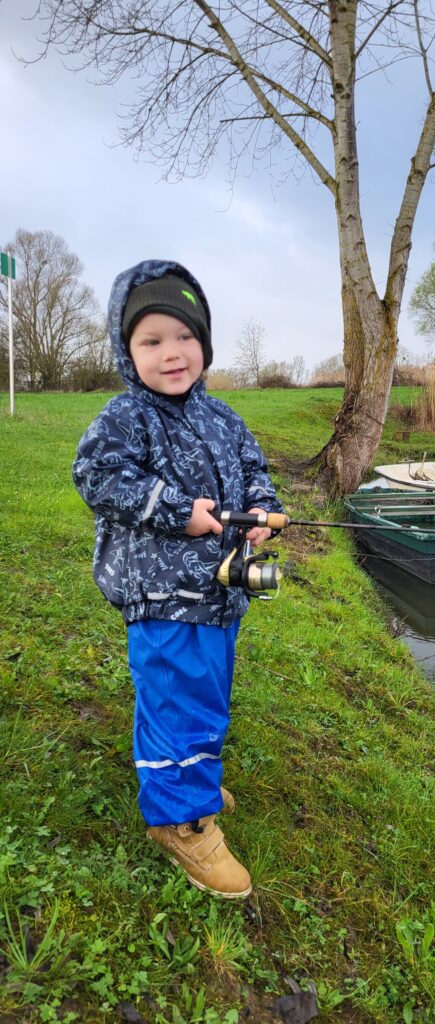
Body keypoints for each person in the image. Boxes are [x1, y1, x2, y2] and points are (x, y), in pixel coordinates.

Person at [73, 259, 283, 899]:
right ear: (125, 349)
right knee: (178, 697)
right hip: (163, 597)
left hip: (220, 594)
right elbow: (96, 477)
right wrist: (177, 510)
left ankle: (184, 775)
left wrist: (262, 513)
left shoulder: (223, 416)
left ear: (205, 343)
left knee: (203, 695)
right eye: (152, 340)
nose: (172, 353)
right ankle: (183, 823)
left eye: (185, 337)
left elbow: (254, 472)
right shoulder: (124, 418)